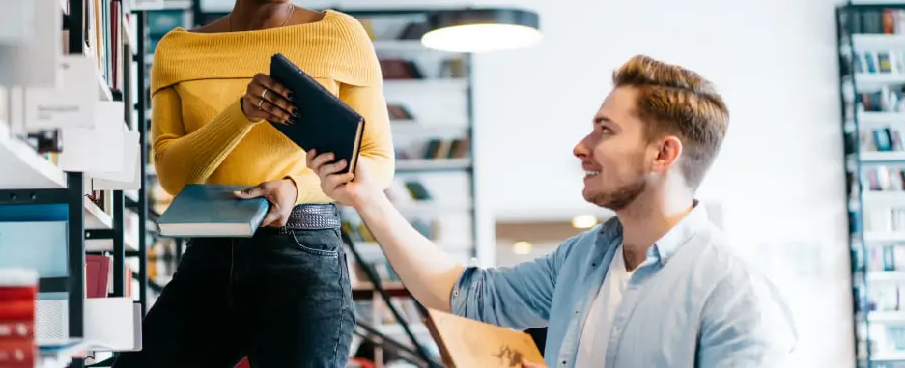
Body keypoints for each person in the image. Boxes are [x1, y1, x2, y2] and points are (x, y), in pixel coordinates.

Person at [306, 55, 798, 368]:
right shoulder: (584, 260)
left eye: (605, 130)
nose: (581, 147)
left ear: (662, 154)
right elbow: (465, 296)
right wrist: (366, 199)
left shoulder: (736, 294)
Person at [112, 0, 394, 368]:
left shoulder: (341, 35)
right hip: (209, 252)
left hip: (303, 251)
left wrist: (291, 187)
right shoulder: (178, 49)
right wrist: (242, 114)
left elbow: (377, 162)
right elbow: (174, 175)